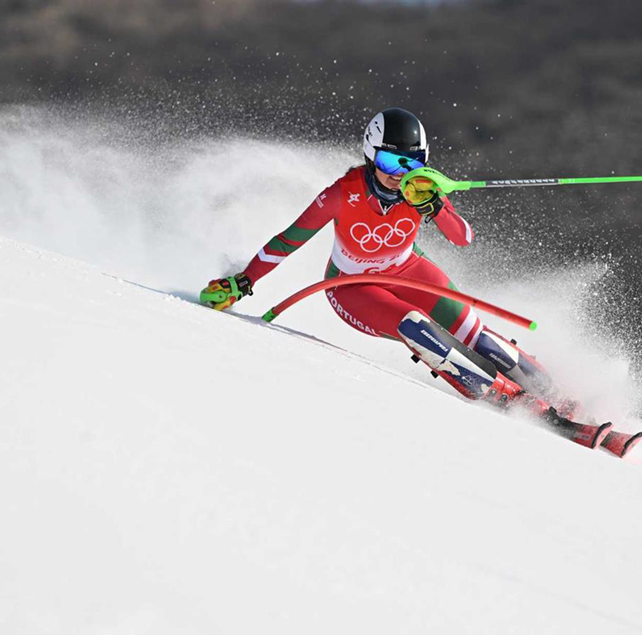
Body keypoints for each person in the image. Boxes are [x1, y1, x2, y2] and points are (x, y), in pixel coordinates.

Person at [204, 107, 568, 417]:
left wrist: (436, 207)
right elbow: (289, 239)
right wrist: (244, 282)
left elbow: (463, 238)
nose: (399, 173)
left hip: (408, 270)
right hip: (352, 287)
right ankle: (511, 401)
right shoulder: (341, 194)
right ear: (370, 155)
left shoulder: (423, 189)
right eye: (390, 161)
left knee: (476, 334)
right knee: (415, 327)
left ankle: (556, 396)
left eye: (412, 163)